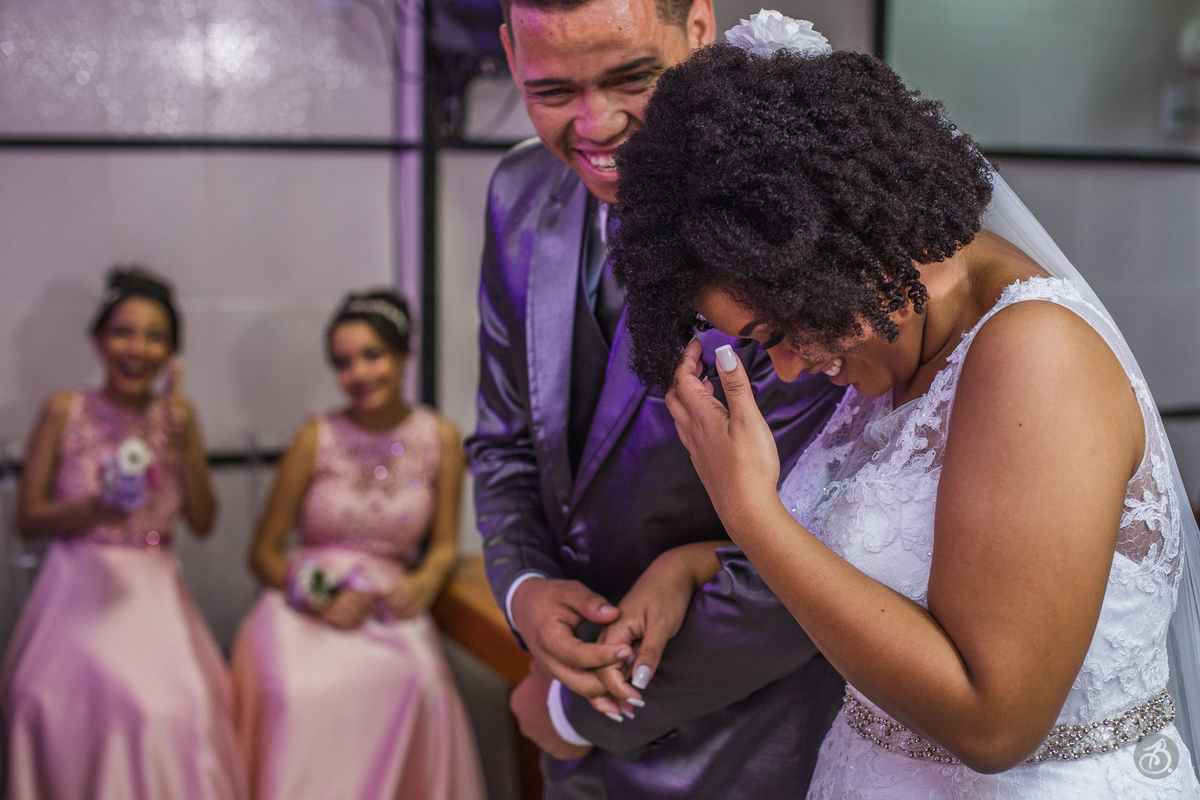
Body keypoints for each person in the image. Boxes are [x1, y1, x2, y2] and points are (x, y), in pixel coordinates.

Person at [603, 13, 1200, 798]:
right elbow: (915, 563)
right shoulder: (895, 340)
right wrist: (698, 560)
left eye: (779, 329)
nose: (783, 368)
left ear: (841, 244)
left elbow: (993, 723)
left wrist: (750, 512)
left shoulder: (1033, 356)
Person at [465, 0, 846, 797]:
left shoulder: (792, 221)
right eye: (552, 92)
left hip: (747, 738)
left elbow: (828, 536)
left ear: (698, 27)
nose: (596, 127)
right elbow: (503, 442)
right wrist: (527, 593)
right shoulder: (519, 191)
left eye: (630, 78)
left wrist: (577, 711)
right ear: (509, 51)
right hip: (569, 726)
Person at [230, 290, 486, 800]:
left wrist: (426, 581)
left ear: (403, 356)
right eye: (344, 363)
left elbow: (442, 546)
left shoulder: (440, 438)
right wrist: (317, 596)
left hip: (389, 602)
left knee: (424, 685)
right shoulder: (316, 436)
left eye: (372, 355)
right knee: (296, 694)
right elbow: (261, 553)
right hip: (303, 602)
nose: (359, 374)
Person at [2, 266, 247, 799]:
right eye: (124, 331)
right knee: (38, 702)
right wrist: (93, 507)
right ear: (98, 340)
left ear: (172, 353)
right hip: (74, 587)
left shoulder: (179, 416)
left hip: (154, 594)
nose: (137, 348)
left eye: (155, 336)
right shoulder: (64, 410)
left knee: (173, 711)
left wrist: (183, 454)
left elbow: (203, 523)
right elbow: (27, 521)